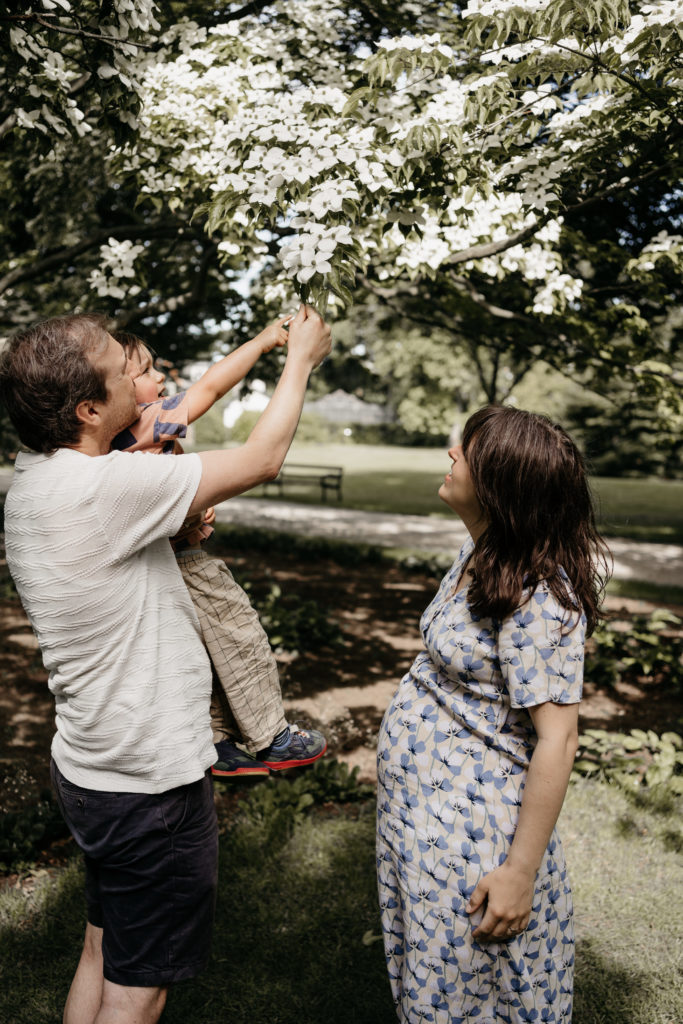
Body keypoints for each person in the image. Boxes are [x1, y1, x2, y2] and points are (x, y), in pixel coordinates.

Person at [0, 306, 331, 1024]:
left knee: (103, 951)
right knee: (139, 989)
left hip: (91, 769)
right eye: (120, 372)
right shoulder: (104, 489)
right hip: (150, 786)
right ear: (89, 410)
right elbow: (261, 459)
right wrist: (300, 358)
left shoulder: (37, 478)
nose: (136, 376)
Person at [376, 405, 611, 1024]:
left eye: (468, 450)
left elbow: (559, 741)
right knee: (434, 986)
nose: (452, 453)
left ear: (502, 486)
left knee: (478, 994)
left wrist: (519, 873)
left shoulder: (541, 597)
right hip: (425, 820)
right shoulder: (481, 553)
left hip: (479, 837)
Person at [111, 324, 326, 778]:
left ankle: (218, 742)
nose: (160, 377)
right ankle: (273, 738)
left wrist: (194, 505)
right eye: (145, 371)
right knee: (241, 635)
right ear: (114, 389)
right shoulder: (142, 421)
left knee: (202, 650)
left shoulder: (110, 446)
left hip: (159, 566)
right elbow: (208, 388)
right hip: (186, 562)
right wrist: (263, 342)